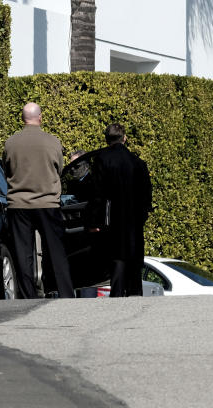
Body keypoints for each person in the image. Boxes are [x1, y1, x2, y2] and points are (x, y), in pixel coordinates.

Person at [3, 102, 74, 299]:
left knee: (23, 254)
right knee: (56, 251)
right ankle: (66, 293)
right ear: (40, 117)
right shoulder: (53, 141)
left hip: (19, 204)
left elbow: (7, 169)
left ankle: (28, 297)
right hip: (48, 203)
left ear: (22, 118)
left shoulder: (11, 142)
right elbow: (59, 170)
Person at [92, 123, 152, 297]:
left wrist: (95, 221)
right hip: (134, 220)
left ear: (106, 139)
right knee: (134, 260)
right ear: (124, 138)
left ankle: (117, 294)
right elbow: (147, 195)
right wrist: (143, 214)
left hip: (113, 220)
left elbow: (97, 194)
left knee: (117, 259)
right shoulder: (138, 162)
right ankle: (135, 293)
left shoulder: (102, 159)